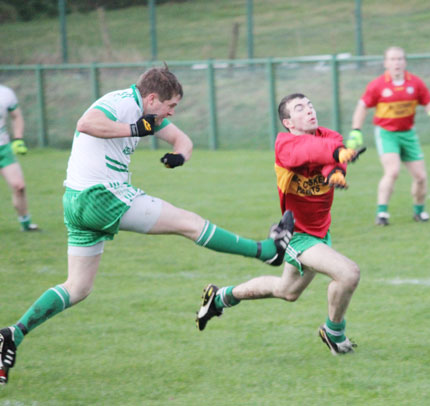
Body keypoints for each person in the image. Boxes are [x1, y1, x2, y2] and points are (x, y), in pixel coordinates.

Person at [0, 65, 295, 385]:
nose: (172, 112)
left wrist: (179, 156)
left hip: (76, 201)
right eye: (171, 106)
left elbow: (181, 138)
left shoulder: (144, 113)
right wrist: (134, 129)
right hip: (101, 196)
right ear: (152, 98)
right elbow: (86, 123)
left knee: (78, 287)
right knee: (190, 223)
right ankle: (267, 251)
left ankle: (12, 334)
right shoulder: (124, 103)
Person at [196, 93, 365, 355]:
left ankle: (220, 298)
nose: (309, 109)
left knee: (287, 291)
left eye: (310, 104)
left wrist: (336, 172)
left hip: (320, 231)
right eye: (300, 108)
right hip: (297, 234)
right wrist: (335, 155)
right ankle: (334, 333)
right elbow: (307, 152)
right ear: (288, 122)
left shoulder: (330, 137)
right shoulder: (284, 145)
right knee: (348, 274)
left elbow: (328, 160)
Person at [347, 46, 430, 226]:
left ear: (405, 62)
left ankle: (419, 212)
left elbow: (428, 100)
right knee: (392, 171)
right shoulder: (377, 85)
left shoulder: (415, 83)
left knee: (421, 177)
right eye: (392, 59)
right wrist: (356, 130)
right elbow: (362, 107)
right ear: (385, 63)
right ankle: (382, 213)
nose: (396, 63)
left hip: (408, 134)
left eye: (399, 59)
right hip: (387, 134)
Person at [0, 84, 39, 231]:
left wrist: (18, 139)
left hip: (3, 148)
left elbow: (16, 116)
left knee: (19, 186)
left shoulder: (5, 93)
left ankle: (26, 224)